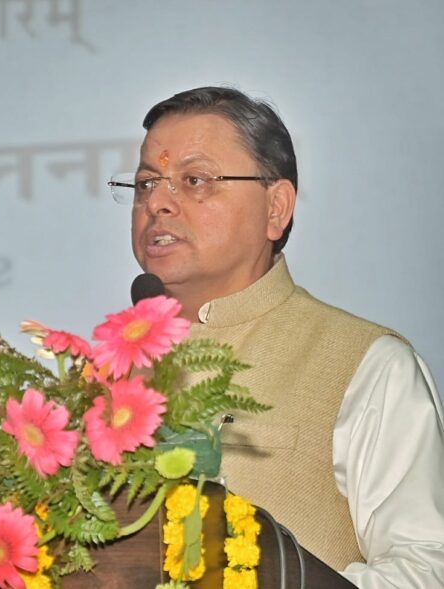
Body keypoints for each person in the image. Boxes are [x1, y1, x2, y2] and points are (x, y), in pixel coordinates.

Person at [109, 86, 444, 588]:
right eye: (144, 184)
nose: (156, 202)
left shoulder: (366, 364)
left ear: (276, 208)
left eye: (194, 180)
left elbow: (426, 569)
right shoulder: (98, 379)